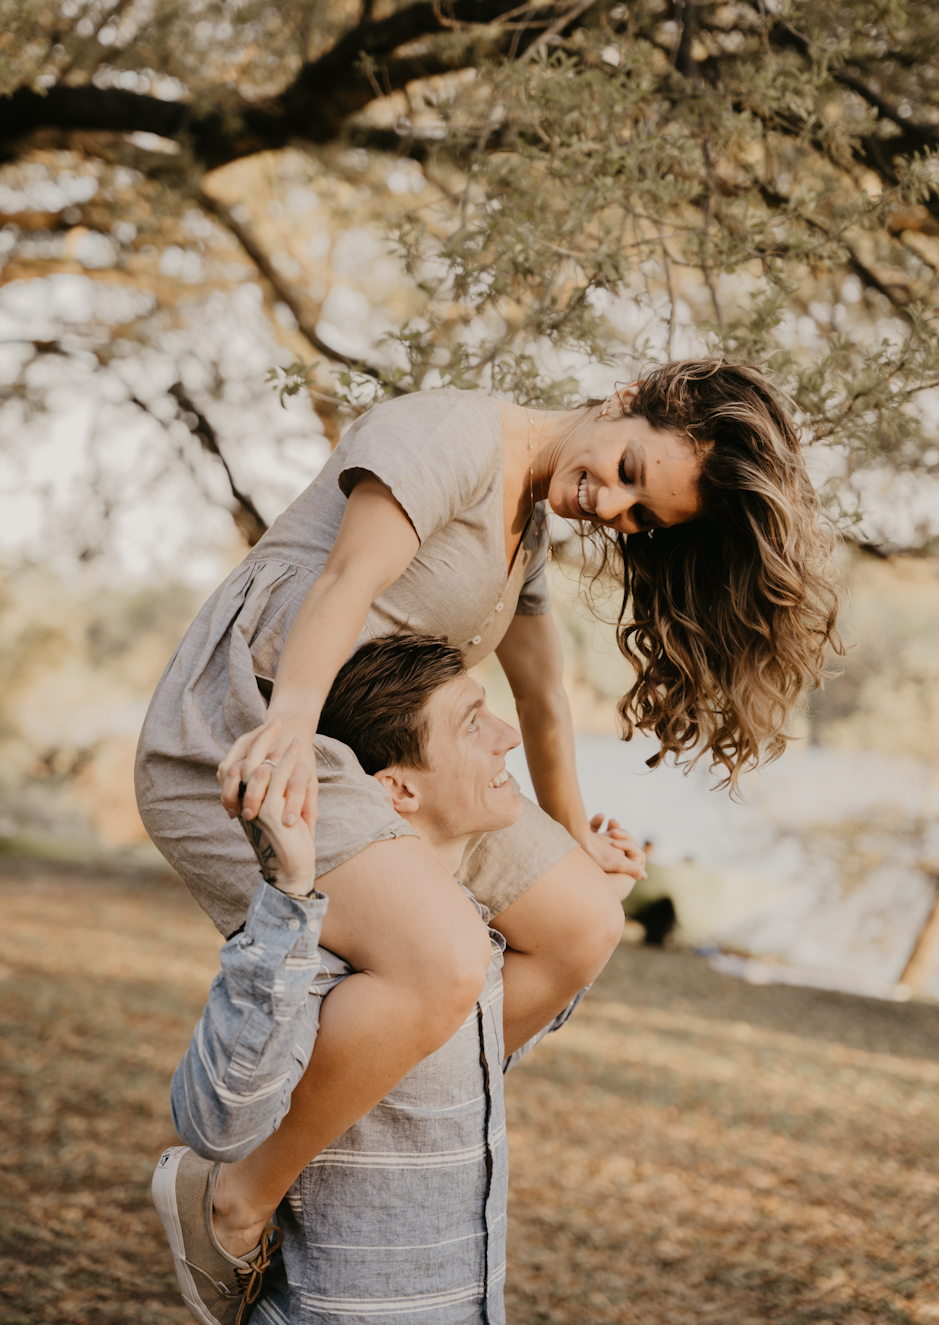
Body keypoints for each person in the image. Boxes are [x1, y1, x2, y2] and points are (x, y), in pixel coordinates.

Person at [136, 357, 839, 1255]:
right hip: (253, 722)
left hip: (388, 763)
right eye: (629, 472)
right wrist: (285, 734)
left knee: (582, 925)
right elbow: (346, 579)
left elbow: (544, 705)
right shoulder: (451, 437)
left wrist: (579, 841)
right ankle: (232, 1199)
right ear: (628, 398)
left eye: (639, 517)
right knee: (446, 958)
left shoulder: (528, 527)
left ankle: (343, 1138)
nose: (613, 508)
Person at [152, 635, 644, 1325]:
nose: (508, 737)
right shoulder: (337, 956)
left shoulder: (458, 956)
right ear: (396, 789)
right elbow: (218, 1119)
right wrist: (289, 896)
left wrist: (601, 896)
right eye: (474, 723)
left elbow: (478, 1065)